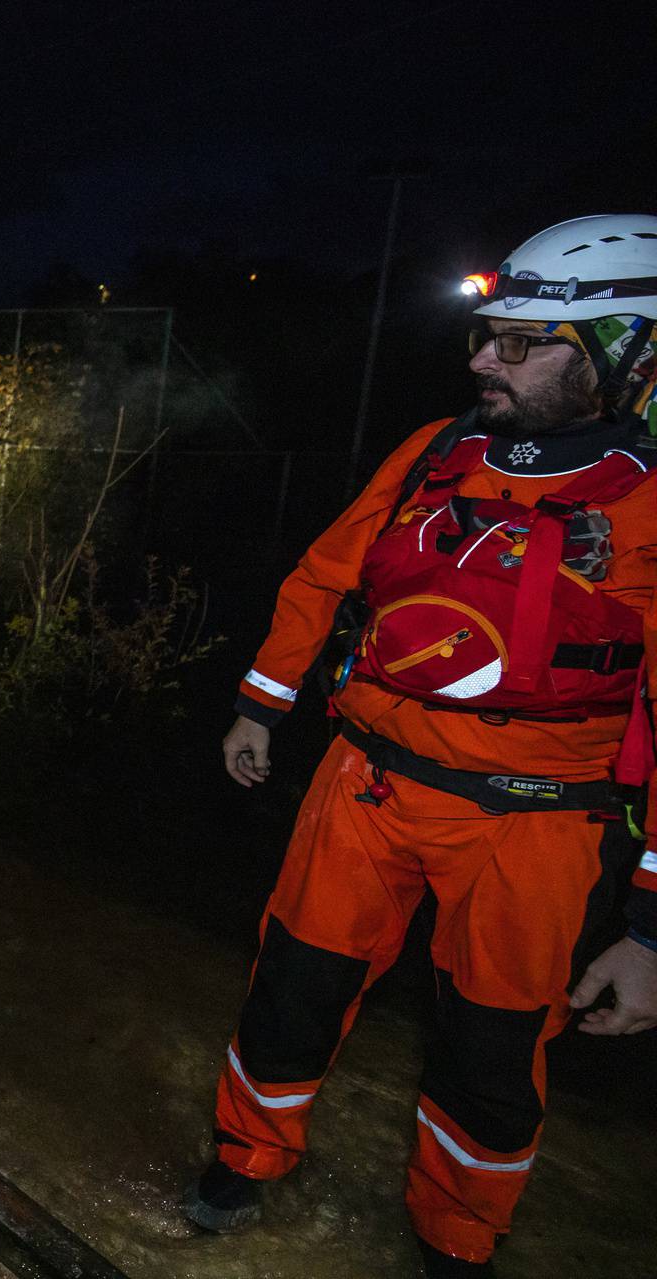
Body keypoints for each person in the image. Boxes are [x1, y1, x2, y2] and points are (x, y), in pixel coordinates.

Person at [184, 215, 657, 1278]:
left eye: (522, 344)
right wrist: (261, 703)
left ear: (623, 349)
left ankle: (457, 1234)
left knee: (492, 1051)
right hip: (366, 784)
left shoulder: (648, 503)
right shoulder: (437, 450)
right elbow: (323, 575)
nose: (482, 358)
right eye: (488, 333)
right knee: (290, 990)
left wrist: (651, 932)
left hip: (535, 821)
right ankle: (246, 1155)